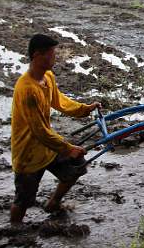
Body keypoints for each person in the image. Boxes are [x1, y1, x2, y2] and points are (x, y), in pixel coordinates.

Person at [9, 33, 100, 224]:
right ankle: (14, 230)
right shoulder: (27, 90)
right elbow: (39, 131)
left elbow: (60, 102)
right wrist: (68, 148)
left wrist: (85, 109)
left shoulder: (47, 77)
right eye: (50, 54)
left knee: (77, 165)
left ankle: (53, 202)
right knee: (24, 200)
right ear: (37, 55)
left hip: (47, 147)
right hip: (28, 154)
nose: (54, 58)